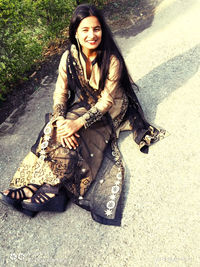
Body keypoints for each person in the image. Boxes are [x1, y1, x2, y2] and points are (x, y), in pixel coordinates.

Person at [0, 4, 166, 225]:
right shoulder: (68, 58)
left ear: (102, 31)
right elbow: (60, 92)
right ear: (76, 33)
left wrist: (77, 124)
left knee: (81, 138)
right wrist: (60, 121)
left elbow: (106, 101)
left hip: (111, 111)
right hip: (85, 104)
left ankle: (53, 189)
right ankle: (34, 184)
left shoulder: (111, 60)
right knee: (53, 131)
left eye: (96, 29)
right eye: (85, 30)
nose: (92, 35)